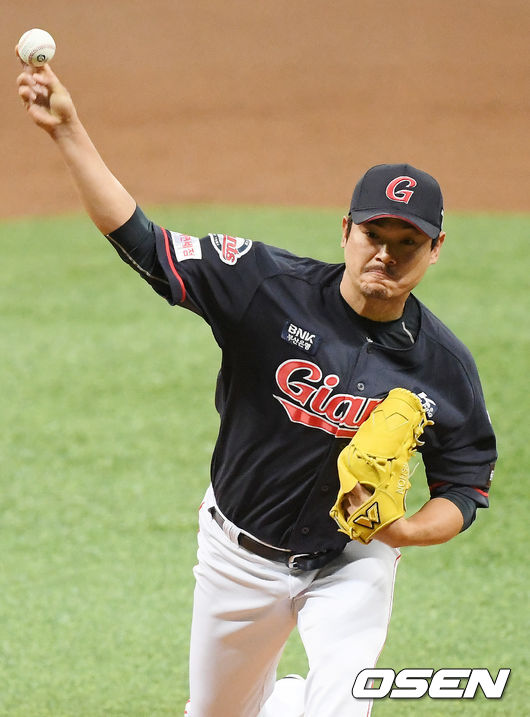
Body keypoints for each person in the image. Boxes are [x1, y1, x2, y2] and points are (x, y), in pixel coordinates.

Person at [17, 61, 497, 717]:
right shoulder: (267, 288)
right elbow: (146, 244)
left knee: (341, 705)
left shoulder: (444, 367)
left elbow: (465, 483)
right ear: (346, 231)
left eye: (407, 242)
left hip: (352, 556)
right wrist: (67, 131)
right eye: (373, 234)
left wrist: (407, 531)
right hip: (237, 555)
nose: (386, 254)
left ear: (435, 248)